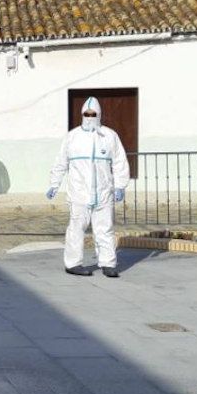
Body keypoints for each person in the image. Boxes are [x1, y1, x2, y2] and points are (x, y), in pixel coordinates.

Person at [47, 96, 130, 278]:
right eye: (87, 114)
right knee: (76, 229)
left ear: (99, 114)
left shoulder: (109, 136)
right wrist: (54, 183)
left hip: (103, 193)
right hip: (79, 193)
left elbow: (119, 161)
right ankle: (73, 263)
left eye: (93, 114)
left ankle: (108, 263)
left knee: (105, 229)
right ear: (82, 114)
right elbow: (61, 162)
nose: (90, 117)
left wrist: (120, 185)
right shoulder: (72, 137)